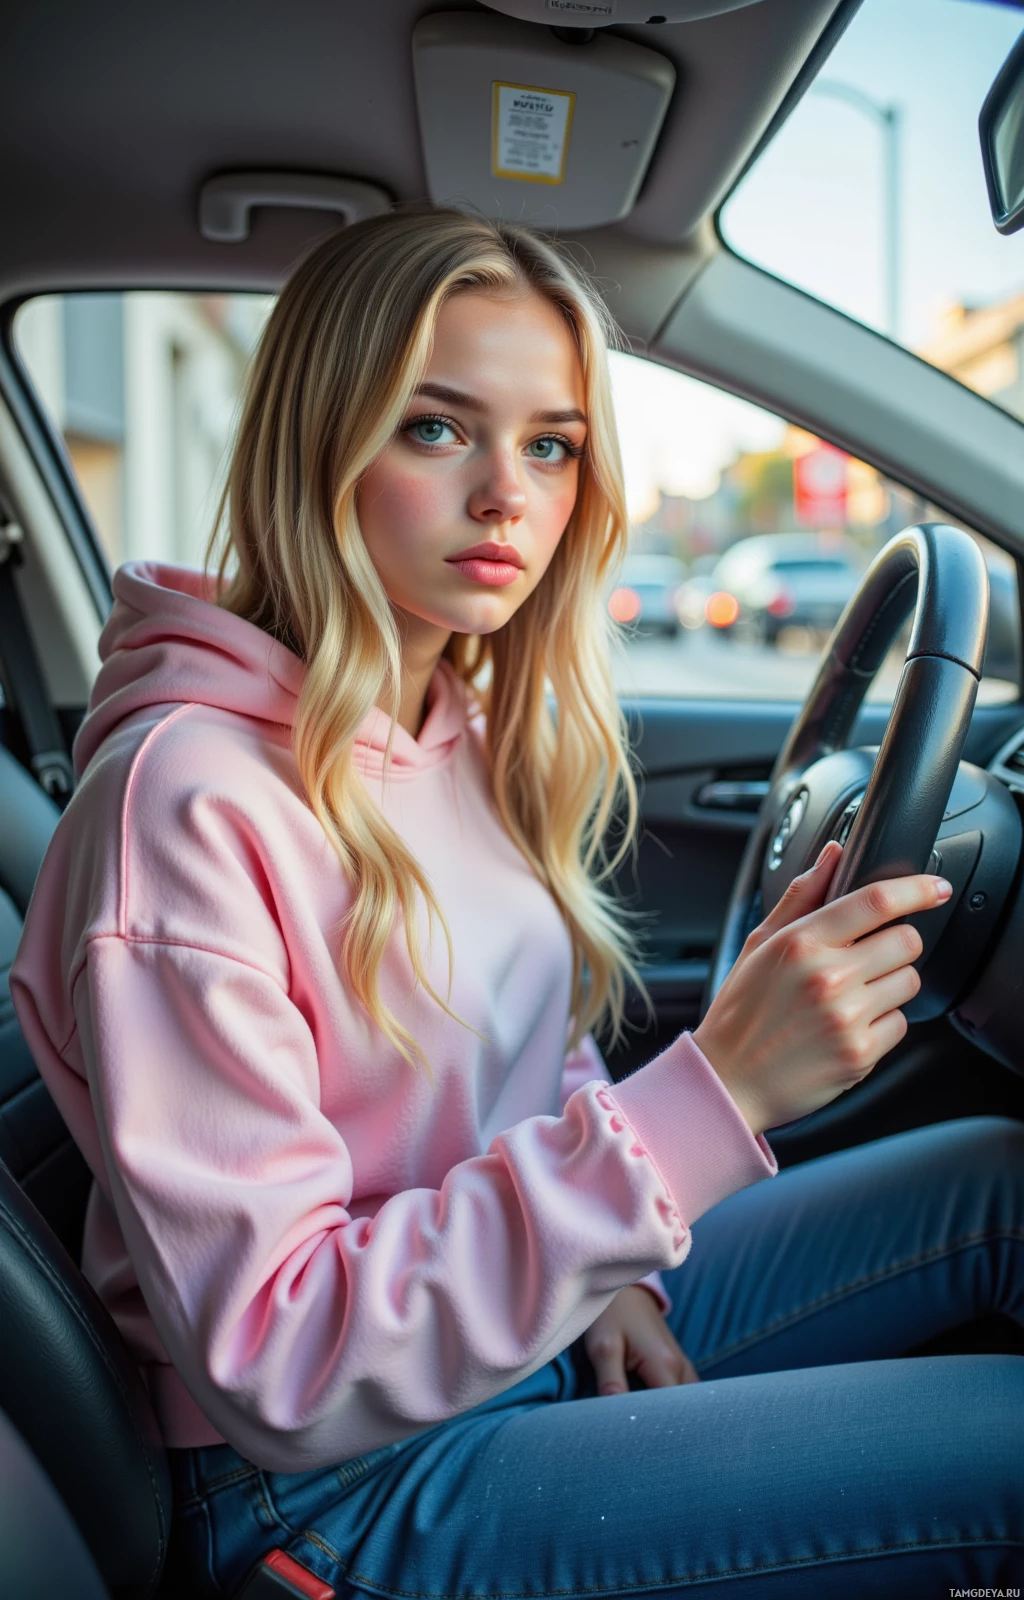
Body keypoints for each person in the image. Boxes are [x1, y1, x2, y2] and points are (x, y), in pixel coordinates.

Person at [10, 207, 1023, 1599]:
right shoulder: (187, 804)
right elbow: (283, 1360)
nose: (509, 495)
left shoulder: (460, 720)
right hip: (330, 1489)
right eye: (437, 428)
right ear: (324, 441)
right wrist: (715, 1092)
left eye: (550, 443)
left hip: (512, 1307)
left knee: (996, 1184)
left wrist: (608, 1267)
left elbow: (534, 1057)